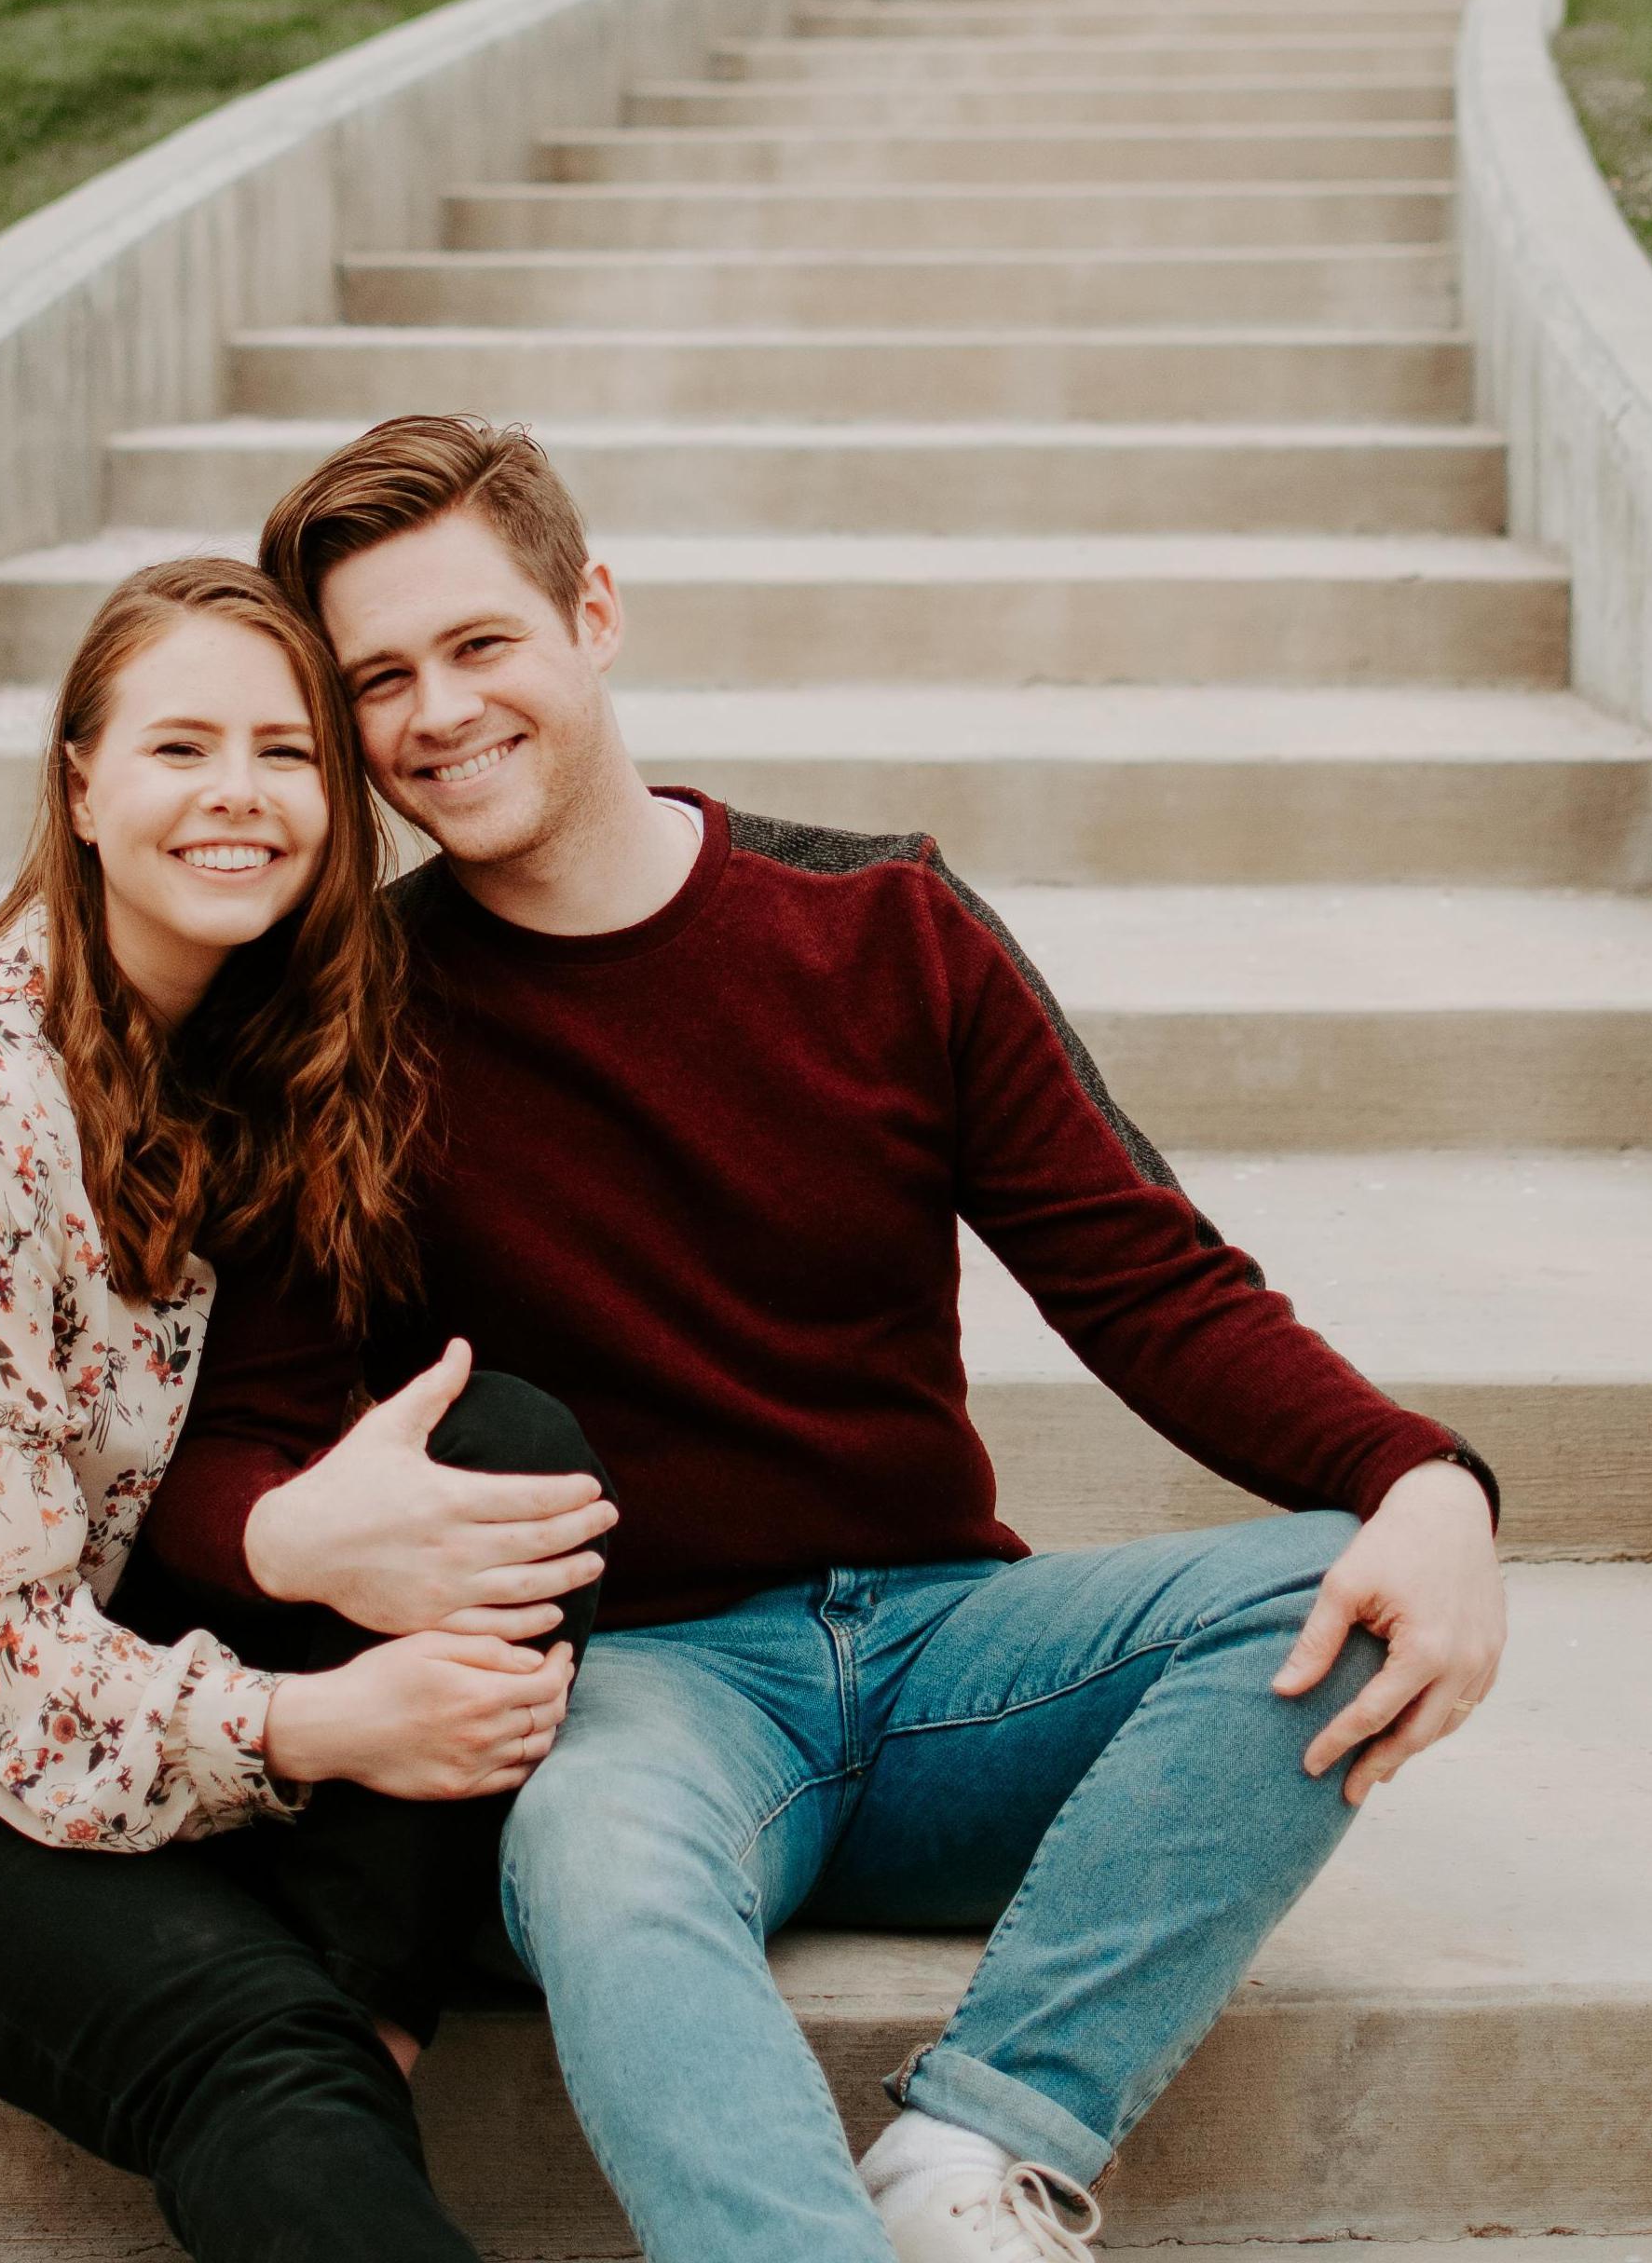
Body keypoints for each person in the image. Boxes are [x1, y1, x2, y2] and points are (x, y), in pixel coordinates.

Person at [133, 418, 1510, 2263]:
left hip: (946, 1653)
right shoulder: (347, 1021)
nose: (436, 712)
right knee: (598, 1864)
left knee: (1314, 1597)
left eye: (477, 643)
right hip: (640, 1686)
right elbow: (223, 1436)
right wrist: (284, 1532)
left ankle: (978, 2141)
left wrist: (1416, 1472)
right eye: (377, 678)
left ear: (591, 610)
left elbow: (1143, 1278)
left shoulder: (883, 925)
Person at [0, 554, 619, 2263]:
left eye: (285, 752)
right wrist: (325, 1728)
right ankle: (303, 2057)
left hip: (139, 1621)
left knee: (500, 1451)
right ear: (79, 784)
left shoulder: (269, 1040)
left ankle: (360, 2020)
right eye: (180, 747)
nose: (239, 796)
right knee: (252, 2061)